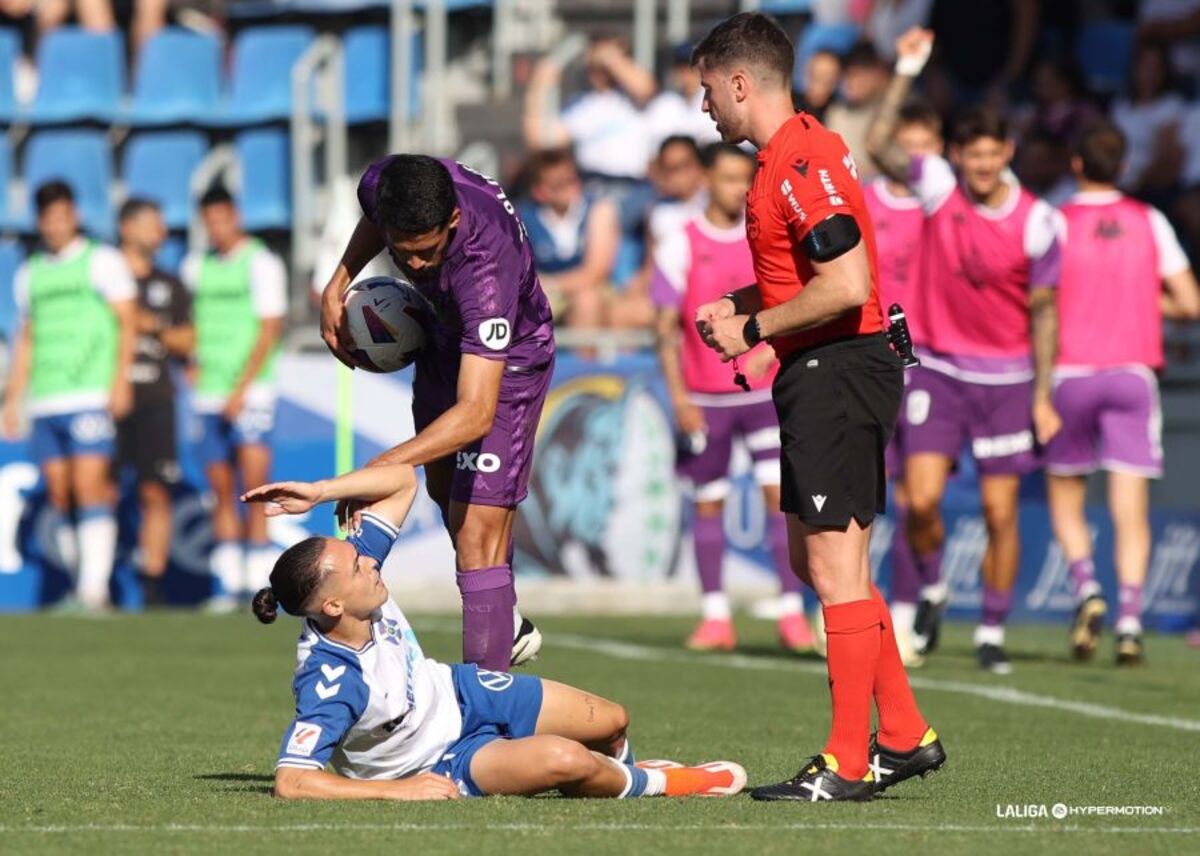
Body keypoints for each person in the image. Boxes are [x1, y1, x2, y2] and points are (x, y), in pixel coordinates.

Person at [691, 12, 942, 803]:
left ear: (740, 83)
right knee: (817, 561)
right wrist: (740, 302)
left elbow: (848, 285)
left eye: (707, 91)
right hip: (820, 368)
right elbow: (806, 275)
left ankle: (846, 760)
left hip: (840, 369)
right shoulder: (779, 160)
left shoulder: (803, 157)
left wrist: (754, 328)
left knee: (835, 567)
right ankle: (903, 736)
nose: (704, 108)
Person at [244, 463, 747, 801]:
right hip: (443, 760)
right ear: (332, 605)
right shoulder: (330, 679)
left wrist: (321, 491)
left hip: (461, 692)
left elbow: (401, 480)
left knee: (613, 719)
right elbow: (292, 780)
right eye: (357, 567)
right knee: (564, 757)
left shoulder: (357, 580)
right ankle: (663, 781)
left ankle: (607, 773)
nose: (370, 565)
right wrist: (398, 790)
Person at [866, 28, 1063, 675]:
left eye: (990, 155)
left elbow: (1044, 312)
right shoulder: (938, 185)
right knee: (919, 500)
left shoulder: (1038, 220)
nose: (979, 166)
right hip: (940, 369)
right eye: (969, 155)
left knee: (1000, 512)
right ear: (958, 154)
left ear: (1007, 152)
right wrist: (906, 70)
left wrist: (1041, 394)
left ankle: (992, 631)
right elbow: (875, 144)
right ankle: (932, 589)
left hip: (1006, 382)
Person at [319, 155, 552, 672]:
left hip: (508, 365)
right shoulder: (384, 183)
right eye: (404, 253)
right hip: (442, 340)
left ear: (450, 222)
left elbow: (475, 415)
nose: (417, 265)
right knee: (448, 495)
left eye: (428, 252)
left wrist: (380, 468)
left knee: (475, 536)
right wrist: (339, 280)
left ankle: (485, 719)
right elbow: (373, 220)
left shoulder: (485, 269)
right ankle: (503, 616)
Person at [1045, 120, 1200, 666]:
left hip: (1071, 373)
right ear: (1124, 166)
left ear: (1078, 165)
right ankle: (1131, 621)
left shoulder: (1057, 222)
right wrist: (1140, 300)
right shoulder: (1149, 220)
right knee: (1129, 509)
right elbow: (1190, 300)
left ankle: (1088, 588)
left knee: (1066, 497)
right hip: (1133, 374)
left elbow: (1037, 301)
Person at [652, 142, 816, 654]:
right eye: (726, 179)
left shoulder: (766, 240)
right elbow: (665, 328)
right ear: (707, 180)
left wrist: (771, 355)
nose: (737, 190)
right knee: (708, 505)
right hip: (706, 397)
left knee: (781, 500)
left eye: (744, 181)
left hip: (764, 394)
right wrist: (679, 396)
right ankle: (715, 616)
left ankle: (792, 614)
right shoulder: (680, 241)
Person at [1, 180, 136, 610]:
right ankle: (80, 581)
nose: (56, 225)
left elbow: (127, 320)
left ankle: (92, 592)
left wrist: (120, 380)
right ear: (40, 222)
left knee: (89, 485)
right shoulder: (30, 272)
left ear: (73, 216)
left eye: (62, 216)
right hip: (46, 395)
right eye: (48, 218)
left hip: (91, 391)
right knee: (59, 493)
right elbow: (27, 337)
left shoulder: (102, 261)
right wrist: (13, 397)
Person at [862, 101, 941, 667]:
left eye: (924, 143)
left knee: (919, 496)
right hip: (872, 355)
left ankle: (917, 606)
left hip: (932, 358)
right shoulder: (865, 199)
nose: (913, 154)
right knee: (875, 490)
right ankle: (861, 612)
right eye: (904, 142)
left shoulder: (945, 204)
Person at [182, 185, 286, 609]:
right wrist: (190, 360)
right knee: (220, 487)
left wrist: (241, 389)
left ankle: (259, 586)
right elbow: (190, 322)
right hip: (208, 392)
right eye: (209, 222)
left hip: (251, 390)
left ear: (236, 216)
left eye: (222, 219)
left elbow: (269, 329)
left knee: (255, 486)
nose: (217, 229)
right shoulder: (195, 267)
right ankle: (227, 584)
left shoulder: (260, 263)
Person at [116, 198, 193, 607]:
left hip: (156, 398)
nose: (161, 233)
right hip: (108, 397)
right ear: (127, 228)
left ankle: (152, 585)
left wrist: (153, 325)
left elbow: (187, 341)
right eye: (152, 224)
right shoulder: (103, 277)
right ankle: (97, 582)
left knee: (155, 493)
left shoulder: (170, 283)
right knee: (99, 491)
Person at [523, 35, 658, 182]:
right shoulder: (580, 105)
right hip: (591, 182)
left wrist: (608, 56)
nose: (599, 71)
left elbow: (645, 88)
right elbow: (542, 141)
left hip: (633, 183)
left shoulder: (634, 99)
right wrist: (539, 85)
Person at [518, 148, 620, 330]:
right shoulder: (524, 217)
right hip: (545, 293)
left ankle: (584, 359)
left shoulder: (598, 210)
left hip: (590, 291)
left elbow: (595, 273)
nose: (570, 188)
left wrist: (551, 284)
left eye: (571, 179)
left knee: (586, 300)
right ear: (539, 191)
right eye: (558, 184)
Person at [824, 42, 892, 182]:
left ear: (877, 74)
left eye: (857, 74)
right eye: (847, 74)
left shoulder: (893, 110)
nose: (850, 82)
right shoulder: (837, 113)